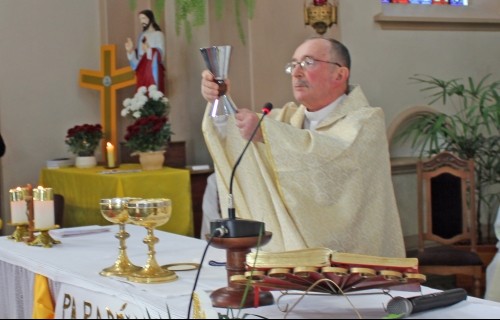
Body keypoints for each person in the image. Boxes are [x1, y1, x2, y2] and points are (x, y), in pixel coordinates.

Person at [200, 37, 405, 258]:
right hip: (292, 259)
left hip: (355, 261)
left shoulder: (365, 121)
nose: (296, 73)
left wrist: (268, 134)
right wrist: (218, 99)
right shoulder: (286, 118)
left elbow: (331, 158)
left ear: (340, 74)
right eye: (293, 65)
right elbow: (230, 134)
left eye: (308, 62)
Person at [125, 9, 166, 92]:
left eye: (143, 18)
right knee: (142, 94)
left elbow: (161, 55)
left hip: (152, 70)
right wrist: (130, 51)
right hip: (142, 70)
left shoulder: (158, 34)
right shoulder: (142, 36)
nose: (141, 21)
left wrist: (149, 51)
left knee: (153, 93)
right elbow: (138, 60)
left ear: (150, 18)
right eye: (140, 19)